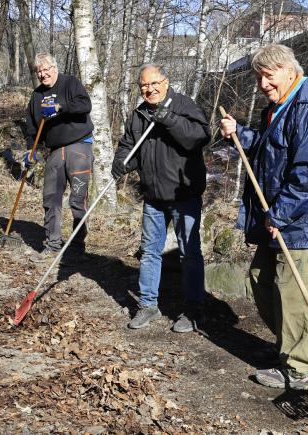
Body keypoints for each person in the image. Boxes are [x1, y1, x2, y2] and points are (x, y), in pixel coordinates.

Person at [219, 44, 308, 389]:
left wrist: (281, 212)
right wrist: (240, 135)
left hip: (301, 220)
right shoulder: (281, 105)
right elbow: (267, 150)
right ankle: (286, 348)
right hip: (275, 215)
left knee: (293, 295)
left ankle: (302, 369)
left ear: (289, 70)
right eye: (258, 77)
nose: (262, 84)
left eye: (268, 75)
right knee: (262, 280)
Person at [112, 64, 211, 333]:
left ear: (166, 82)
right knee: (149, 252)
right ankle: (148, 306)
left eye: (154, 83)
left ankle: (194, 311)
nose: (149, 89)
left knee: (189, 254)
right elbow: (127, 145)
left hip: (183, 194)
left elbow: (199, 137)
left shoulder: (184, 106)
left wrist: (170, 120)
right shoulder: (139, 114)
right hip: (153, 196)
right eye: (144, 85)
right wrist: (122, 162)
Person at [24, 53, 94, 264]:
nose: (43, 74)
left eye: (46, 70)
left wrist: (60, 108)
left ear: (55, 68)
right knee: (51, 198)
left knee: (77, 198)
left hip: (79, 146)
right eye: (39, 72)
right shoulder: (36, 96)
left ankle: (77, 245)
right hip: (54, 150)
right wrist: (30, 150)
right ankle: (53, 245)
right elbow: (31, 128)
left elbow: (85, 105)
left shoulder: (69, 82)